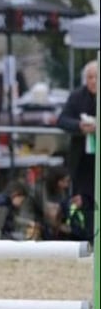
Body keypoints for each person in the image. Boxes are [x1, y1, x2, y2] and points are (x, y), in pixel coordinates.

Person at [57, 59, 97, 243]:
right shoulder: (77, 97)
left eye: (97, 77)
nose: (93, 81)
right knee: (84, 200)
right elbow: (62, 120)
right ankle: (89, 238)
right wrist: (80, 126)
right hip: (82, 160)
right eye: (90, 77)